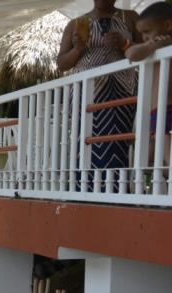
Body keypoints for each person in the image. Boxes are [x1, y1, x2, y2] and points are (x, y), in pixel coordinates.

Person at [58, 1, 139, 174]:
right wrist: (77, 49)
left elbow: (147, 50)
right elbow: (62, 64)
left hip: (122, 89)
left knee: (118, 140)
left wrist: (125, 44)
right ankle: (84, 187)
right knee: (85, 140)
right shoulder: (76, 23)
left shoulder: (130, 17)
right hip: (85, 92)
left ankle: (117, 189)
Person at [126, 2, 172, 155]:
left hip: (164, 108)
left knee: (162, 146)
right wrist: (154, 46)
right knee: (154, 150)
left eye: (147, 31)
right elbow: (131, 53)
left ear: (167, 25)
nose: (144, 37)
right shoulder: (154, 47)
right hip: (157, 109)